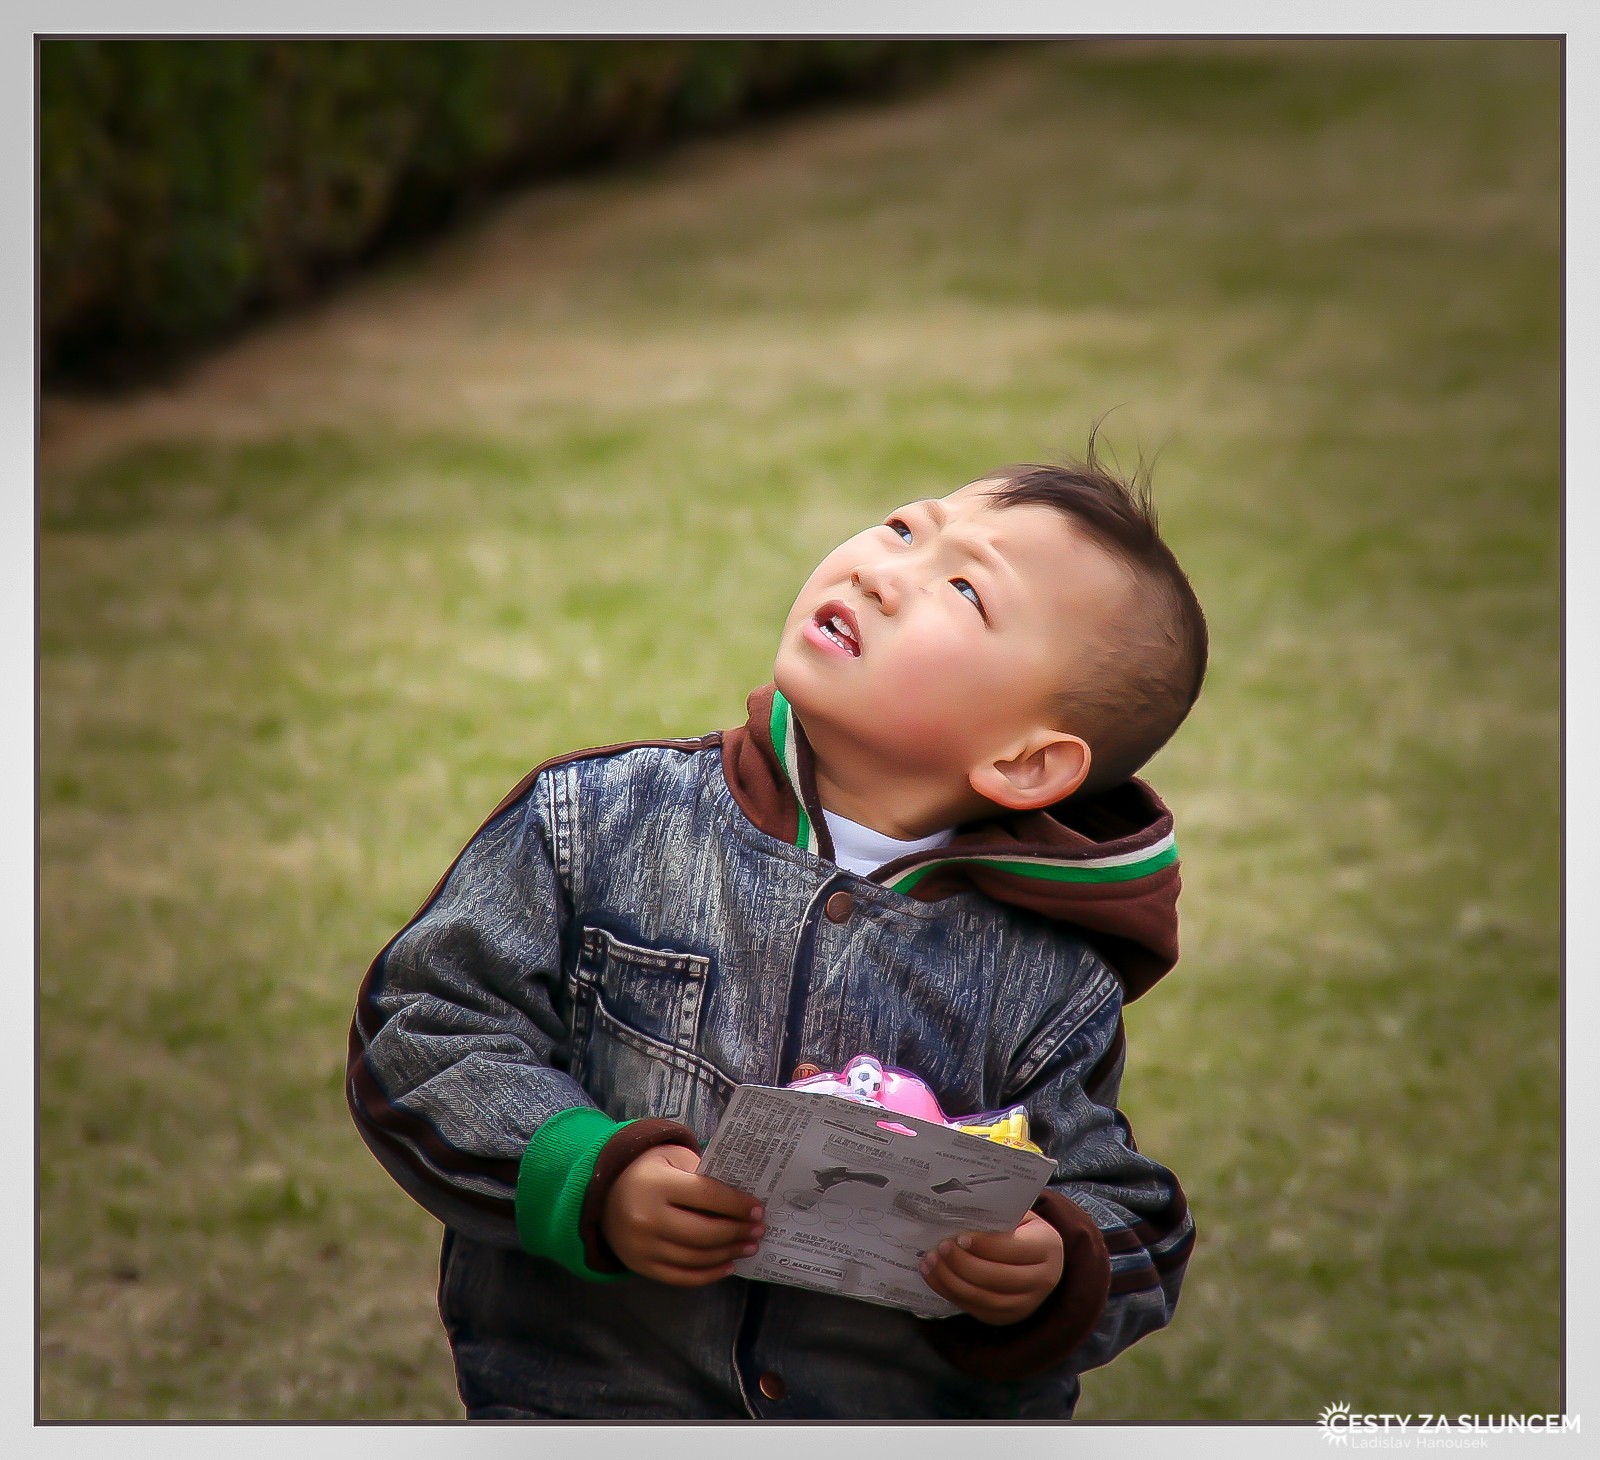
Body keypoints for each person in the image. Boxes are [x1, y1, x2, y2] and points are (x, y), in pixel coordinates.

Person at [347, 440, 1209, 1420]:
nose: (882, 574)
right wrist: (591, 1174)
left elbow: (1131, 1213)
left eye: (965, 591)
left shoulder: (1048, 971)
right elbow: (422, 1028)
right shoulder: (594, 820)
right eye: (902, 528)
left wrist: (1053, 1262)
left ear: (1025, 763)